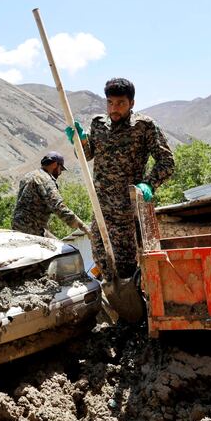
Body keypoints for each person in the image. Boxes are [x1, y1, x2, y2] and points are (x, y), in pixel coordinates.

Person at [66, 78, 174, 279]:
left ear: (131, 103)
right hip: (101, 210)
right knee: (102, 260)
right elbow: (87, 155)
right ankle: (115, 303)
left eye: (120, 104)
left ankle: (135, 307)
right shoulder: (98, 125)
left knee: (127, 266)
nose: (114, 109)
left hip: (127, 212)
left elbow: (167, 162)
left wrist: (148, 184)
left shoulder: (144, 127)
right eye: (110, 103)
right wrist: (79, 141)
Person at [12, 151, 90, 238]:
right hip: (31, 229)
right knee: (64, 250)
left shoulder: (29, 176)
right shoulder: (45, 179)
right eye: (61, 169)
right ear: (55, 165)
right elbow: (59, 207)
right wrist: (83, 226)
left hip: (19, 226)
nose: (60, 173)